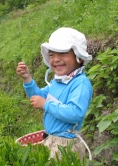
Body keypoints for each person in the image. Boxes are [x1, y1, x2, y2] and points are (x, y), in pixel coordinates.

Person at [16, 27, 93, 161]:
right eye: (52, 55)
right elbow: (38, 97)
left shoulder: (80, 83)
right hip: (51, 140)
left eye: (62, 53)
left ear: (79, 58)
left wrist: (46, 104)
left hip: (66, 145)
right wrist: (27, 79)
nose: (56, 59)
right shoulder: (58, 81)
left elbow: (75, 113)